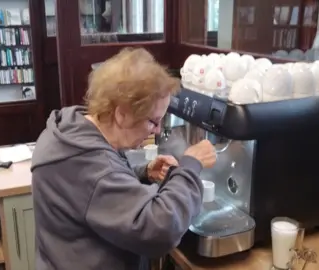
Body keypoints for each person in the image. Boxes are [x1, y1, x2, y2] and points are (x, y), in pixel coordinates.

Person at [31, 47, 217, 270]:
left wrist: (142, 172)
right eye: (152, 121)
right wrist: (190, 166)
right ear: (121, 114)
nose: (157, 131)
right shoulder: (96, 169)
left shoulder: (66, 130)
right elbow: (160, 229)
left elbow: (92, 192)